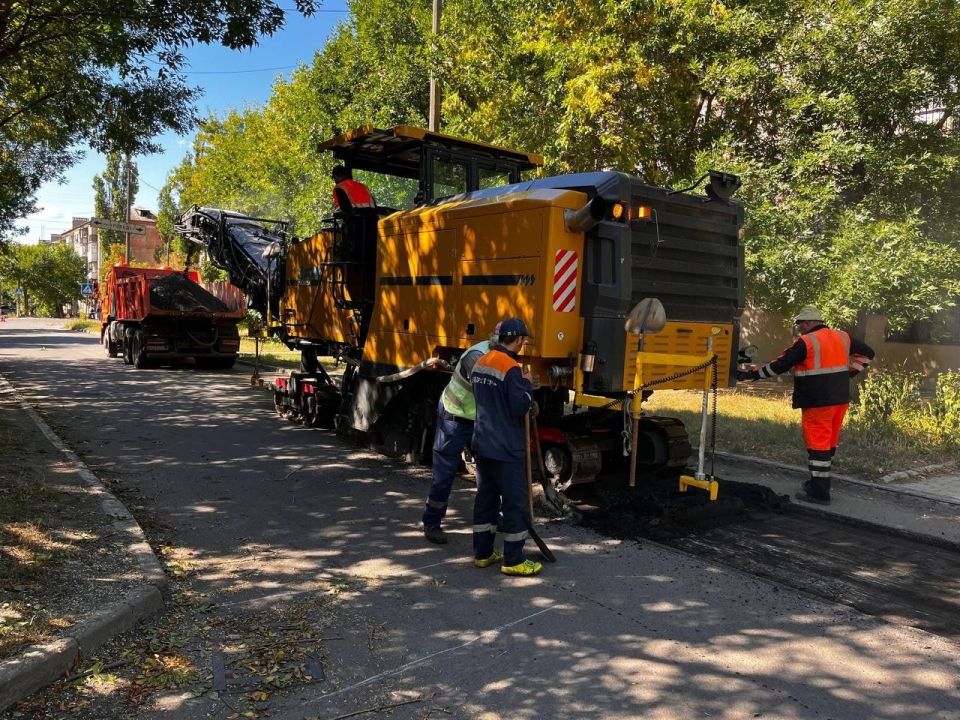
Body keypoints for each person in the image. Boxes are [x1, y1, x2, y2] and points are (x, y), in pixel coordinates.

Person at [737, 306, 875, 505]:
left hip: (818, 401)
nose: (799, 328)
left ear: (809, 323)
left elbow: (780, 365)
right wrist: (849, 373)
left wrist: (752, 375)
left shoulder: (806, 342)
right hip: (840, 400)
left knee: (817, 445)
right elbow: (868, 353)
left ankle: (820, 493)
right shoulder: (842, 337)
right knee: (828, 444)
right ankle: (818, 482)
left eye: (801, 324)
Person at [470, 317, 541, 577]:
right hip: (507, 448)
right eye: (524, 340)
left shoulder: (481, 361)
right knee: (514, 502)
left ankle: (483, 553)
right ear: (519, 340)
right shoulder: (511, 368)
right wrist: (527, 385)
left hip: (483, 443)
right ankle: (513, 559)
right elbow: (519, 406)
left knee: (485, 499)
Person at [421, 321, 503, 544]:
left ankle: (493, 516)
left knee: (489, 472)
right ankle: (432, 523)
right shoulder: (475, 356)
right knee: (444, 475)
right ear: (498, 340)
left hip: (476, 421)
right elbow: (489, 391)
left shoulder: (504, 357)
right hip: (454, 418)